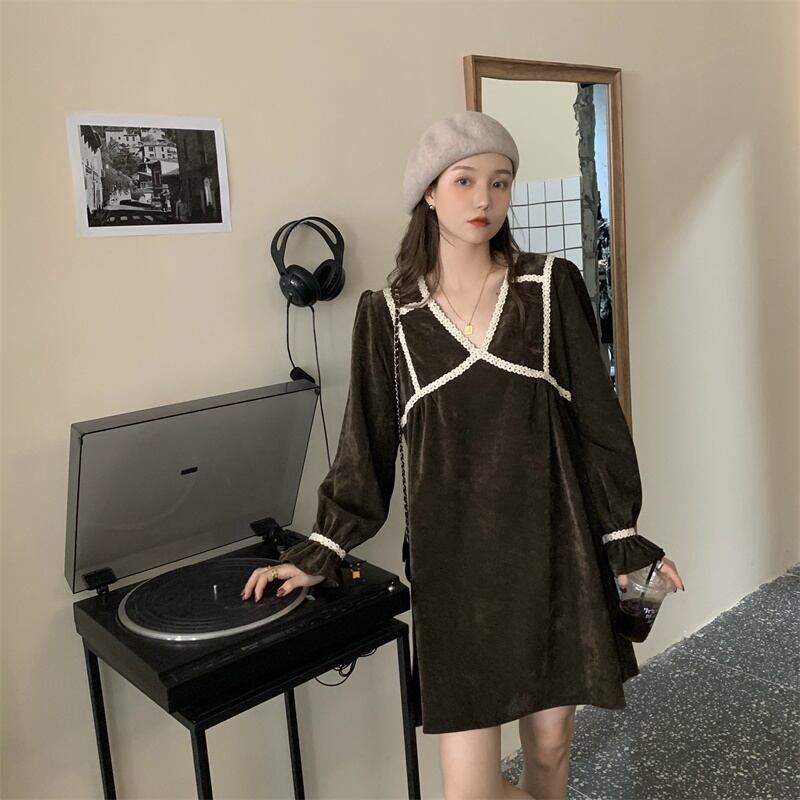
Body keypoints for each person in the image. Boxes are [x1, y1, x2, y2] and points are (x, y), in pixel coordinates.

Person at [242, 110, 685, 800]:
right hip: (457, 577)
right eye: (464, 181)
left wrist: (624, 539)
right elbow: (365, 449)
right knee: (470, 792)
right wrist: (319, 551)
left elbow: (600, 427)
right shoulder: (387, 316)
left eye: (500, 182)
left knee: (550, 750)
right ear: (429, 192)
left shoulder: (549, 287)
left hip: (555, 555)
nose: (484, 199)